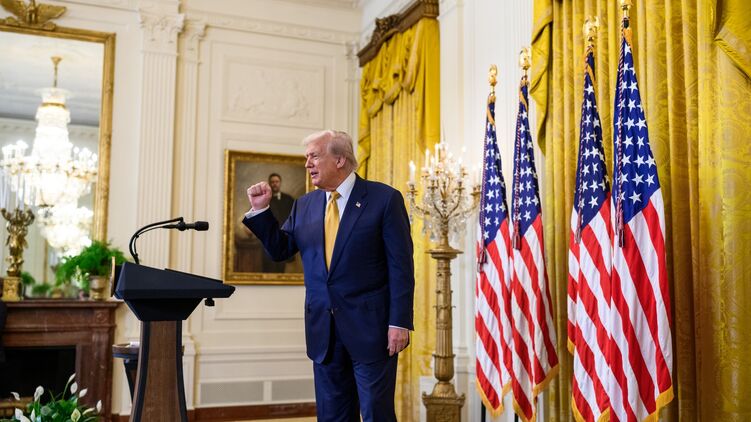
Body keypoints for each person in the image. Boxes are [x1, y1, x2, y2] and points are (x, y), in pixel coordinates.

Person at [243, 130, 414, 422]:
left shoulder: (384, 199)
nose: (307, 163)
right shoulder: (305, 204)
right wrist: (261, 212)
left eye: (314, 156)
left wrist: (399, 322)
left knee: (376, 413)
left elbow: (401, 267)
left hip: (372, 331)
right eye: (306, 157)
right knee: (332, 416)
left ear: (339, 159)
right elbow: (281, 250)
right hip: (324, 333)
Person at [263, 173, 295, 273]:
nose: (274, 184)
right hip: (269, 238)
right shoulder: (264, 200)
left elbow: (294, 218)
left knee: (282, 268)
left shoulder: (289, 199)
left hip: (284, 238)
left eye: (276, 182)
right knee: (269, 267)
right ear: (269, 184)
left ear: (280, 183)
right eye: (272, 182)